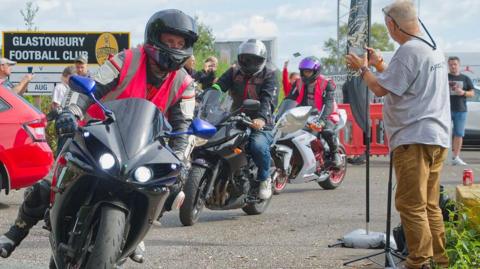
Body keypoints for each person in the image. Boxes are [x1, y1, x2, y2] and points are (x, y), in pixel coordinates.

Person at [0, 9, 198, 264]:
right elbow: (92, 85)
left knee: (167, 189)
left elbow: (184, 125)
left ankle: (137, 234)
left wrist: (181, 159)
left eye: (180, 44)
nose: (174, 48)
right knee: (48, 182)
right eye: (169, 41)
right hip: (100, 133)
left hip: (144, 147)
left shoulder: (185, 84)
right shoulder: (126, 60)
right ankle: (14, 233)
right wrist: (71, 112)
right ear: (155, 39)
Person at [346, 1, 450, 268]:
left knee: (411, 205)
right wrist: (380, 65)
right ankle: (440, 259)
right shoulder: (431, 46)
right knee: (429, 205)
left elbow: (380, 90)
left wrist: (363, 68)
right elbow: (402, 84)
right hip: (435, 136)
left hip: (413, 139)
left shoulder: (408, 51)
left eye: (387, 25)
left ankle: (418, 261)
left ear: (392, 24)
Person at [210, 39, 275, 199]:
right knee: (211, 142)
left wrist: (261, 118)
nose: (249, 63)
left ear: (262, 60)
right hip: (234, 117)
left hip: (259, 122)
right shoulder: (234, 71)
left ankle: (264, 179)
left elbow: (268, 99)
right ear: (240, 58)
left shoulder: (269, 74)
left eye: (254, 59)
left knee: (257, 146)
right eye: (246, 59)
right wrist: (208, 95)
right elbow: (219, 86)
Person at [286, 56, 342, 167]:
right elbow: (288, 99)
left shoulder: (326, 83)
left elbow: (329, 104)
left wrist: (321, 121)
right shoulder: (298, 83)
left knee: (326, 130)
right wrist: (280, 114)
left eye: (308, 71)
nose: (305, 74)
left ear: (316, 71)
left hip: (327, 114)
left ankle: (335, 155)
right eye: (303, 71)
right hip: (306, 114)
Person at [447, 56, 475, 166]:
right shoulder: (444, 77)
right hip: (445, 110)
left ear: (459, 65)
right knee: (444, 133)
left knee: (459, 134)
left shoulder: (465, 78)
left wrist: (463, 92)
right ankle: (443, 157)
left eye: (455, 64)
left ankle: (456, 157)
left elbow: (472, 93)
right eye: (451, 64)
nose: (453, 66)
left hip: (461, 110)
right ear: (448, 66)